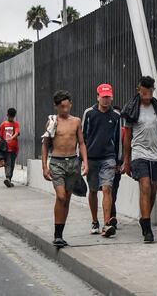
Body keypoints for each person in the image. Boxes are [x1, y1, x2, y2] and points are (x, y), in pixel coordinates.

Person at [121, 76, 157, 243]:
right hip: (139, 154)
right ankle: (147, 229)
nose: (147, 96)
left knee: (153, 191)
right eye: (144, 93)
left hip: (156, 155)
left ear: (153, 91)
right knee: (145, 186)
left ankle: (144, 218)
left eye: (150, 92)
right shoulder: (132, 109)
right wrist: (126, 160)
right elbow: (127, 137)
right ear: (139, 90)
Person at [41, 90, 88, 248]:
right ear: (56, 106)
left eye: (67, 106)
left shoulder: (76, 121)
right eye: (62, 107)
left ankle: (59, 235)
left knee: (66, 199)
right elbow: (45, 145)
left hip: (73, 162)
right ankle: (57, 233)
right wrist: (44, 167)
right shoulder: (52, 122)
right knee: (60, 196)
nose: (65, 110)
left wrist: (85, 162)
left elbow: (81, 143)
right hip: (57, 163)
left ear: (71, 105)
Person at [82, 84, 121, 237]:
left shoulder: (116, 116)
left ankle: (106, 224)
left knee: (107, 189)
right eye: (103, 97)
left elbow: (118, 139)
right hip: (91, 157)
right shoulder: (89, 113)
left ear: (111, 97)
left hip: (108, 157)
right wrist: (82, 159)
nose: (106, 100)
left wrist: (118, 160)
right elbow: (83, 137)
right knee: (92, 190)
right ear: (98, 96)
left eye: (108, 97)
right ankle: (94, 221)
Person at [0, 108, 20, 188]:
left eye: (11, 116)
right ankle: (8, 178)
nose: (11, 118)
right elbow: (0, 136)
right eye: (11, 116)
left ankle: (9, 179)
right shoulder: (7, 124)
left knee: (10, 164)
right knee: (9, 163)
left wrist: (11, 137)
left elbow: (16, 133)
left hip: (12, 148)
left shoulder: (8, 124)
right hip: (8, 148)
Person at [111, 105, 124, 229]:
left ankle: (111, 217)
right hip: (105, 162)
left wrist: (122, 163)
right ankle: (110, 217)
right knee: (107, 190)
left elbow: (126, 147)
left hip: (117, 165)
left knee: (113, 191)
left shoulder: (123, 131)